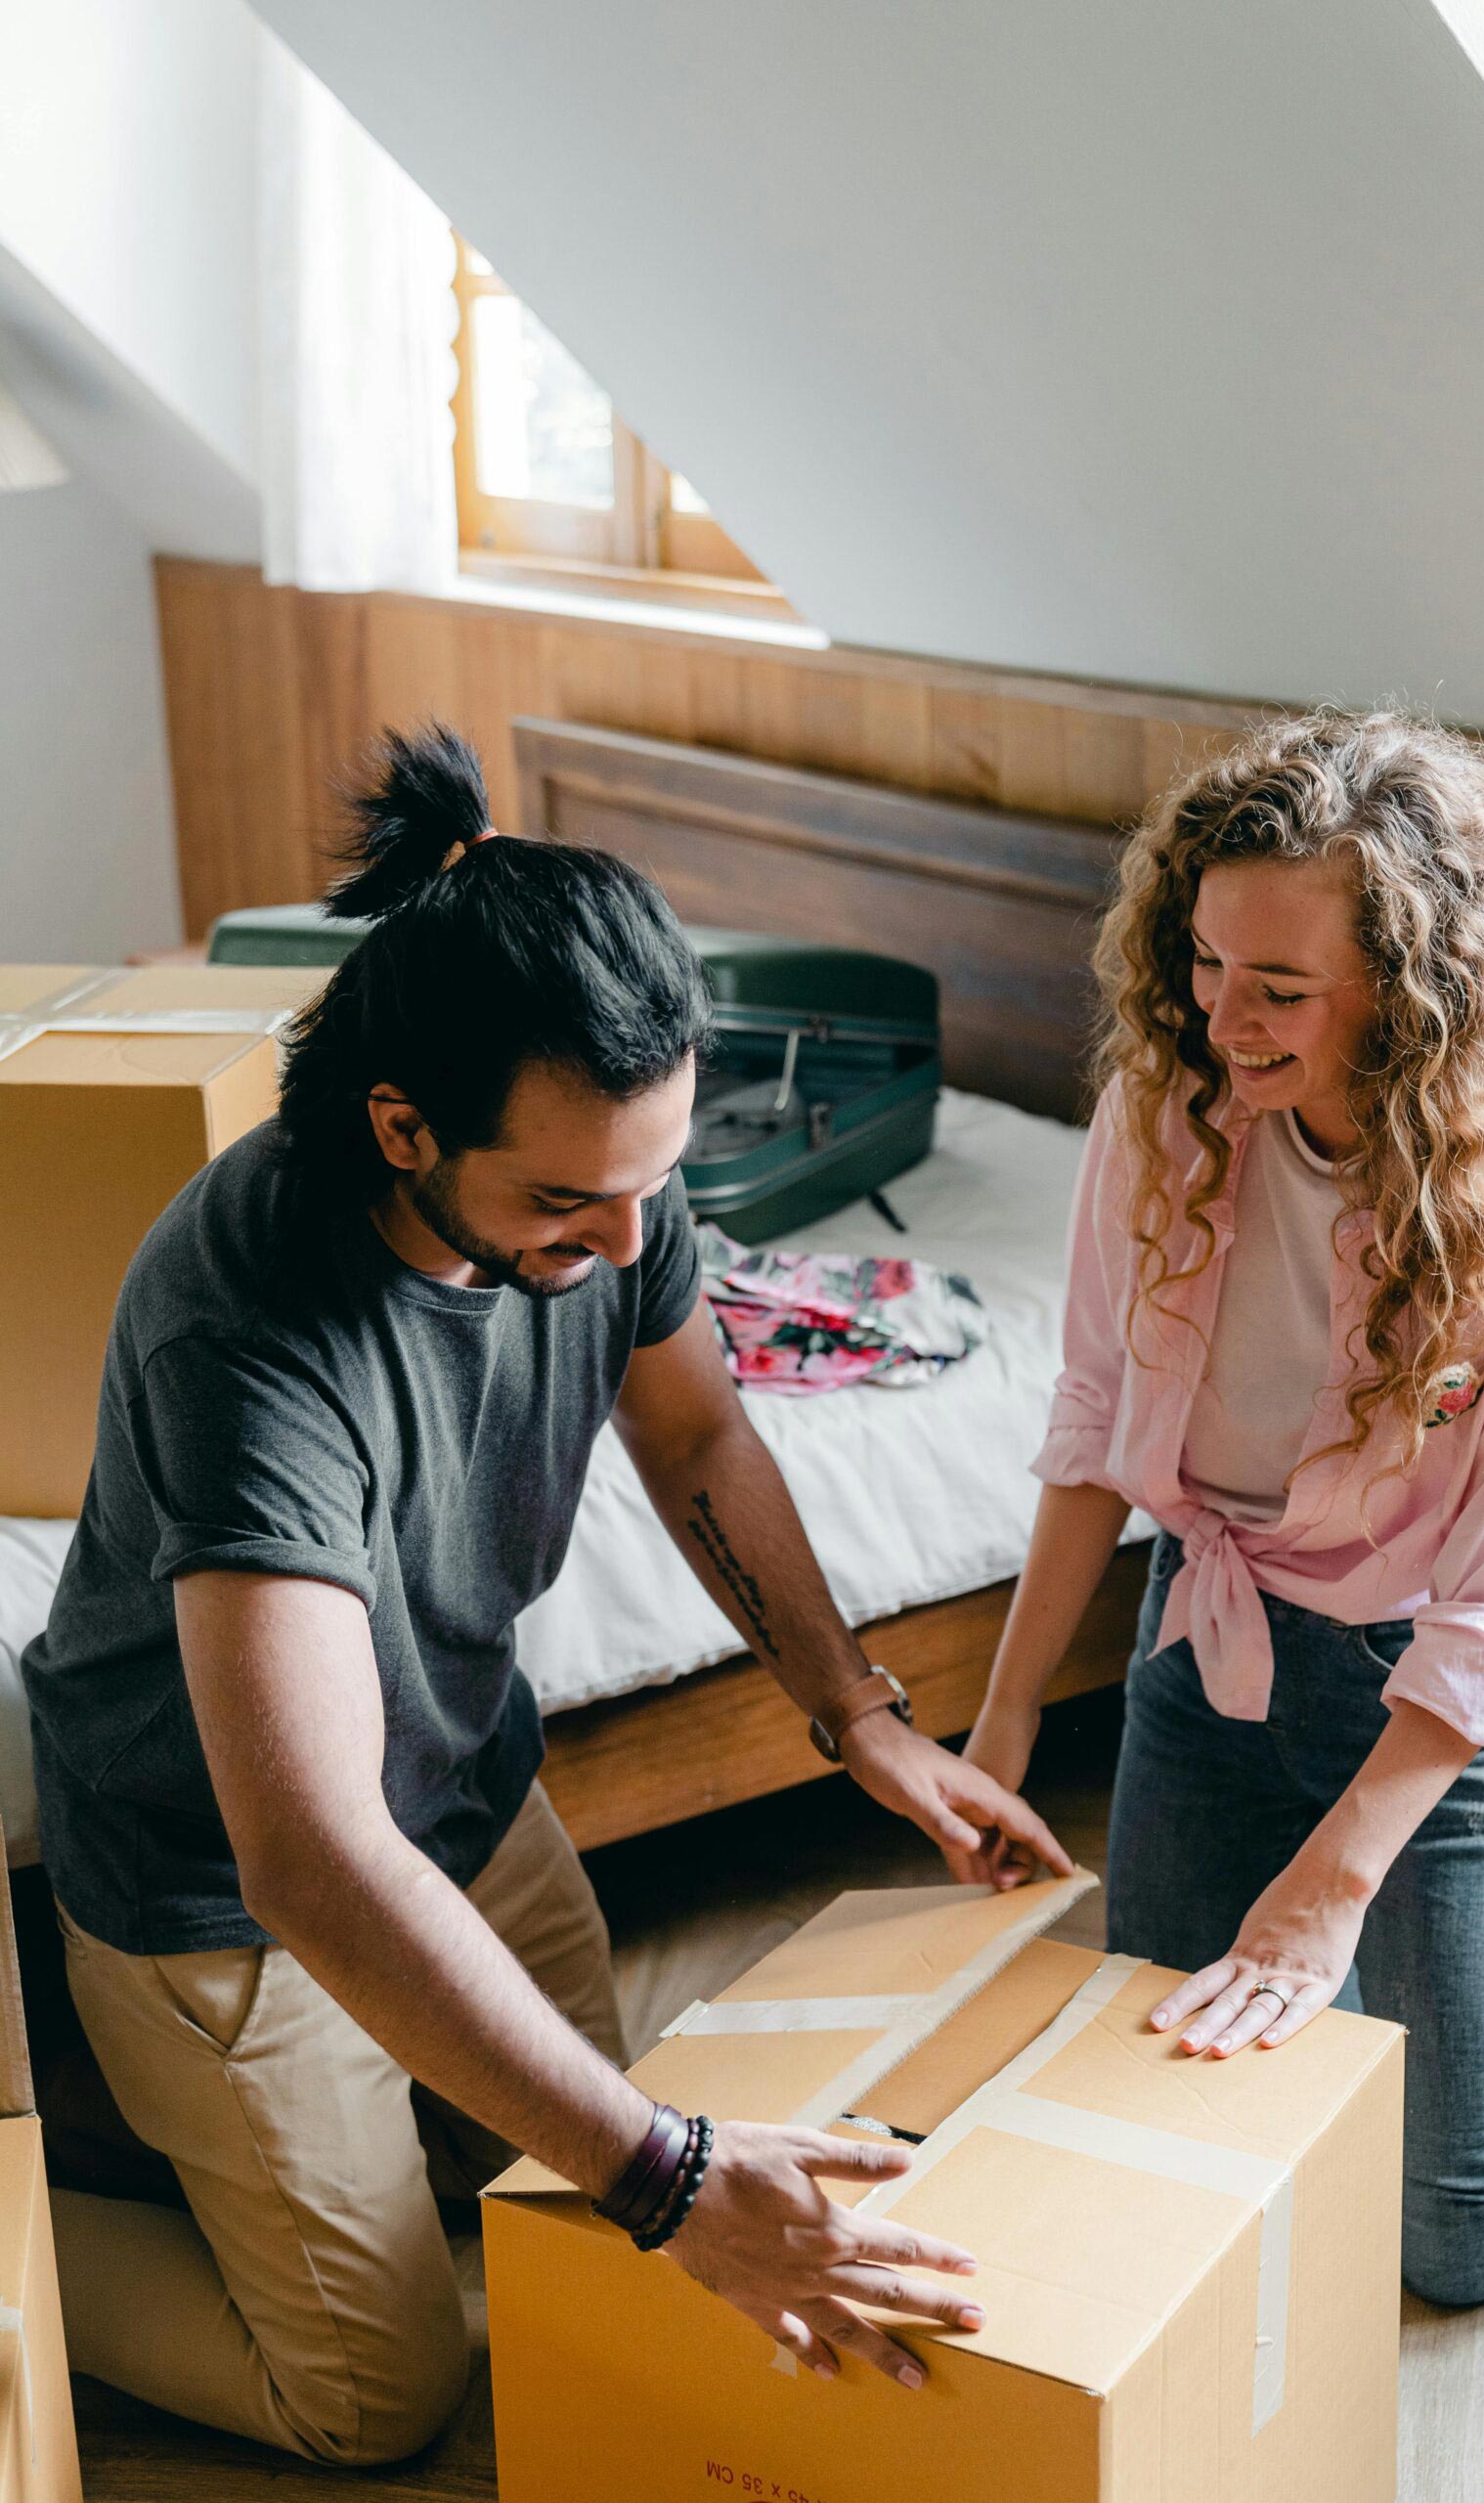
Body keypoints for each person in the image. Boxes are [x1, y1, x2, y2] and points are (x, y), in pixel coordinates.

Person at [22, 725, 1070, 2466]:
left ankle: (213, 2140)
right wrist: (671, 2176)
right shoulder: (251, 1327)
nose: (628, 1242)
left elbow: (702, 1431)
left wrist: (864, 1720)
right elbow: (308, 1852)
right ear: (399, 1125)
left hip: (468, 1786)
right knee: (381, 2395)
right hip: (222, 1883)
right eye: (570, 1202)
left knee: (550, 2194)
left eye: (653, 1187)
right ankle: (37, 2215)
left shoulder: (612, 1188)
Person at [954, 708, 1484, 2307]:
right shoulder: (1166, 1111)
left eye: (1279, 990)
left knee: (1458, 2241)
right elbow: (1088, 1425)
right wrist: (999, 1724)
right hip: (1204, 1658)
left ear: (1416, 999)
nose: (1222, 1019)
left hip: (1432, 1711)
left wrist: (1330, 1894)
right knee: (1164, 2116)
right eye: (1206, 964)